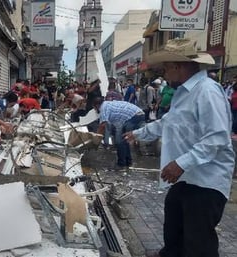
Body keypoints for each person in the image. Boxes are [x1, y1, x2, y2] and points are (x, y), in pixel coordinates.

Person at [124, 38, 235, 257]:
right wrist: (137, 134)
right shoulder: (184, 93)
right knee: (173, 233)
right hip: (185, 179)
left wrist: (181, 163)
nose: (164, 75)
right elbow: (168, 123)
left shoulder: (207, 91)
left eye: (166, 69)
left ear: (178, 66)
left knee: (198, 244)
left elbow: (217, 137)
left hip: (205, 181)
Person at [96, 99, 145, 169]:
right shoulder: (108, 104)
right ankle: (128, 162)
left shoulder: (103, 107)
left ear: (96, 106)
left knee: (120, 141)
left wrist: (95, 139)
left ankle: (121, 164)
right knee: (124, 139)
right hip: (138, 114)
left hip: (133, 116)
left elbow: (103, 125)